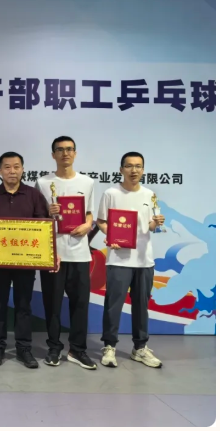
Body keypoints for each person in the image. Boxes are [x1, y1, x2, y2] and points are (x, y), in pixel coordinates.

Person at [0, 152, 58, 369]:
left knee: (24, 305)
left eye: (16, 167)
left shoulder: (33, 195)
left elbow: (42, 227)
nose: (12, 171)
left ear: (23, 170)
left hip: (26, 261)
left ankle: (24, 348)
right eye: (7, 167)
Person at [96, 151, 164, 369]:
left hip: (144, 260)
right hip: (118, 259)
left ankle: (140, 348)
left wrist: (156, 222)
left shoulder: (150, 194)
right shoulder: (111, 193)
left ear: (143, 170)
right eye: (129, 166)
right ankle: (109, 347)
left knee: (142, 306)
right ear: (121, 169)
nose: (134, 170)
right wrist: (111, 236)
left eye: (138, 166)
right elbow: (101, 221)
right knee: (113, 305)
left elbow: (150, 226)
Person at [35, 136, 97, 370]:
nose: (65, 153)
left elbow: (89, 214)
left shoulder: (87, 182)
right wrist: (48, 212)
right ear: (53, 155)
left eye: (70, 149)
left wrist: (87, 225)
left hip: (80, 254)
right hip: (53, 254)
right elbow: (37, 217)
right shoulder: (43, 182)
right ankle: (54, 348)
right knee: (52, 305)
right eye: (60, 150)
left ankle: (77, 350)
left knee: (80, 304)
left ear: (75, 153)